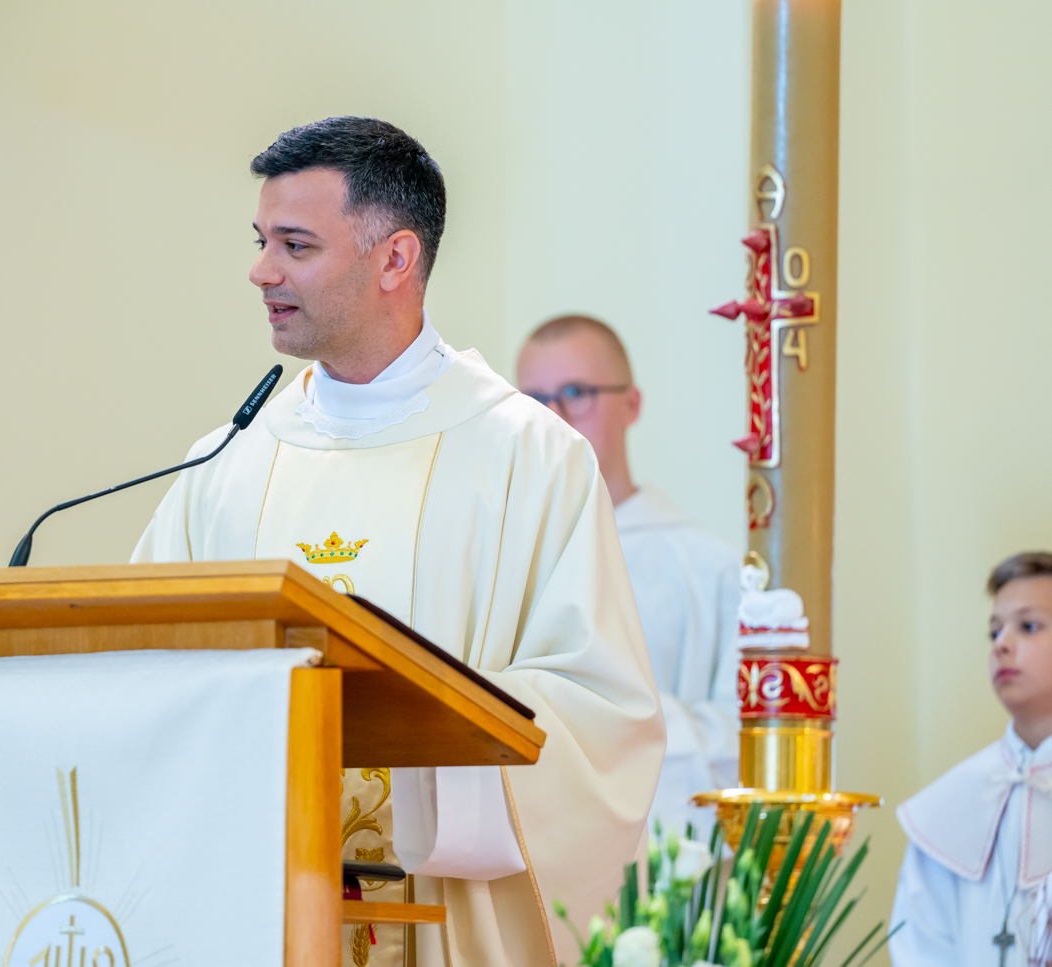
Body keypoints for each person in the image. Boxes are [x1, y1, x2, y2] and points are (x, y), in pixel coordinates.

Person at [132, 117, 665, 966]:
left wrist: (418, 750)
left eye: (295, 245)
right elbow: (142, 672)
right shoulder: (228, 464)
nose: (262, 270)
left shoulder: (528, 457)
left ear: (394, 259)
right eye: (262, 241)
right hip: (254, 917)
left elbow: (603, 713)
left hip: (440, 923)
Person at [516, 316, 741, 838]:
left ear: (632, 404)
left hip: (657, 854)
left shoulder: (711, 571)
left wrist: (599, 731)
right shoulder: (504, 560)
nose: (554, 418)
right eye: (535, 400)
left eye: (577, 393)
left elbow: (743, 743)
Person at [891, 551, 1052, 966]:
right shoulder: (948, 807)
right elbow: (918, 948)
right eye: (995, 632)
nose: (1002, 644)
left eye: (1029, 626)